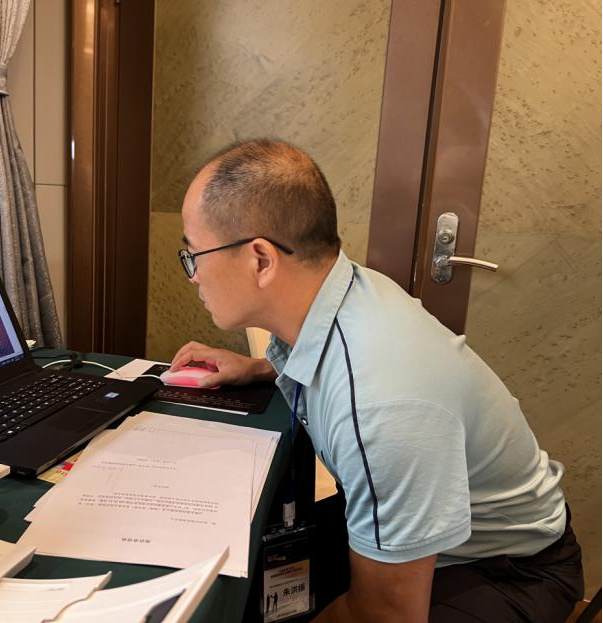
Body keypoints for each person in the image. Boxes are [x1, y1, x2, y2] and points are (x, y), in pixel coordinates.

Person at [169, 139, 583, 622]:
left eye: (194, 254)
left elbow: (386, 615)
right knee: (245, 572)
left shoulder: (380, 403)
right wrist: (261, 366)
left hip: (504, 568)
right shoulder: (345, 289)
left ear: (261, 260)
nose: (193, 276)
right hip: (428, 536)